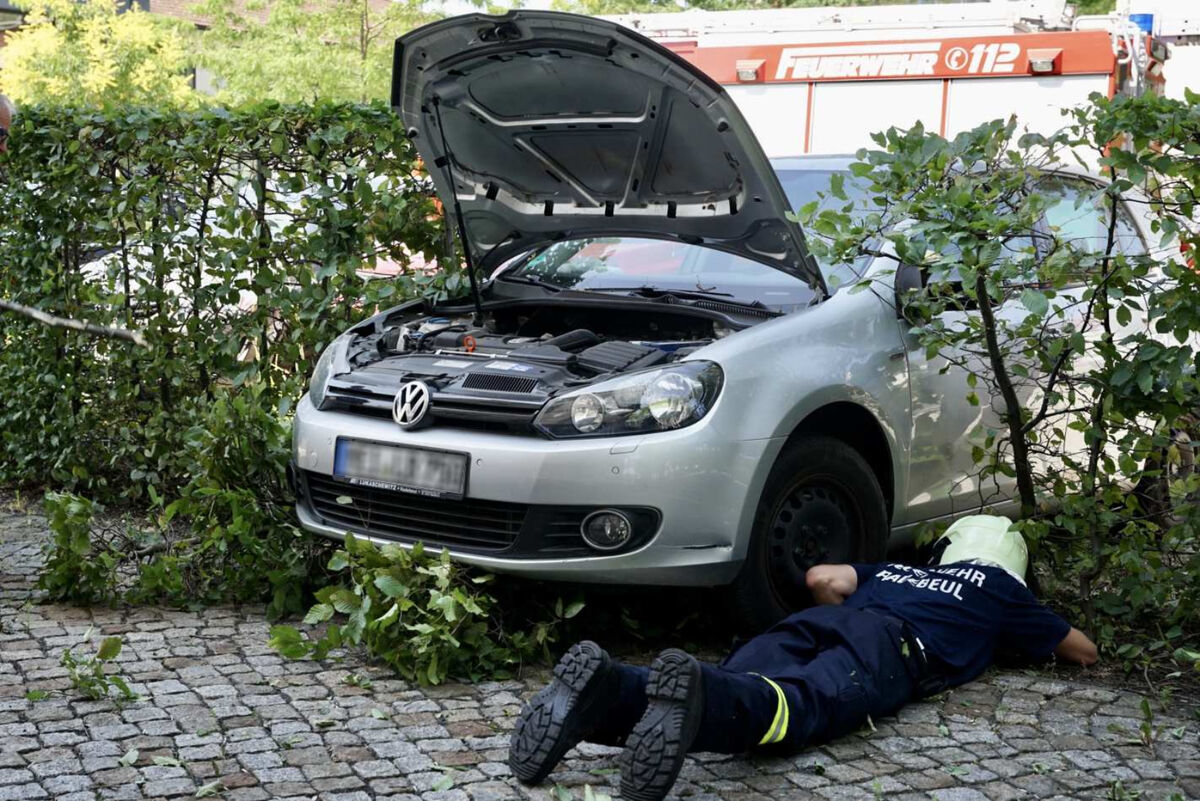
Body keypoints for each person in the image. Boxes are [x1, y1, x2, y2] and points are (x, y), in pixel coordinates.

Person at [507, 516, 1098, 801]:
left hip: (821, 620)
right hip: (889, 648)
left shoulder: (899, 571)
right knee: (801, 704)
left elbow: (823, 578)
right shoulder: (1002, 593)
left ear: (948, 549)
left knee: (736, 681)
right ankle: (685, 694)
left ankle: (609, 691)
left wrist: (841, 612)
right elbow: (1083, 652)